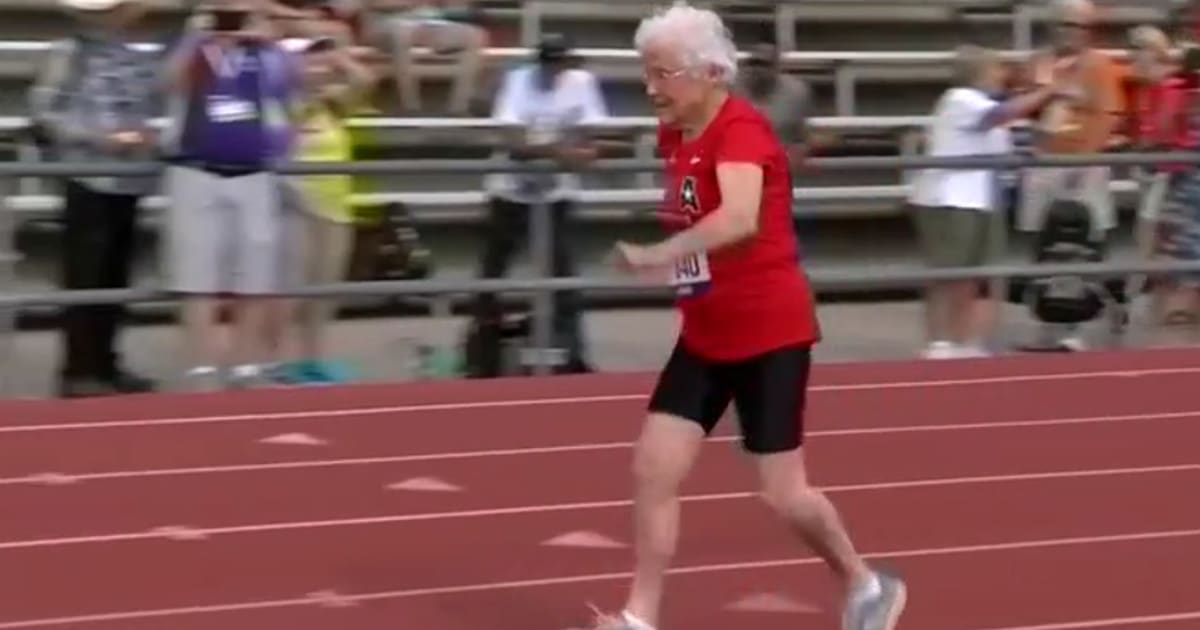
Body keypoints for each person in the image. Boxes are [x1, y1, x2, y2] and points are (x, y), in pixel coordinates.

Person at [594, 4, 905, 630]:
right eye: (645, 73)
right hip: (707, 333)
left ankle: (865, 583)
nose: (652, 88)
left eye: (663, 74)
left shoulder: (743, 134)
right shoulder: (677, 132)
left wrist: (660, 254)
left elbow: (739, 218)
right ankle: (639, 617)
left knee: (783, 493)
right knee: (654, 466)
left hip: (769, 333)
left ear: (710, 73)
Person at [160, 0, 301, 390]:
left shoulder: (268, 51)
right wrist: (199, 37)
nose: (231, 19)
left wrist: (268, 41)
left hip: (256, 173)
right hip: (194, 169)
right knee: (196, 274)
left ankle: (246, 365)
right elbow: (169, 83)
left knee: (255, 272)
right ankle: (202, 366)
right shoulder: (192, 45)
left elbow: (289, 87)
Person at [30, 0, 161, 397]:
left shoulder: (133, 54)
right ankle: (78, 370)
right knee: (85, 274)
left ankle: (106, 361)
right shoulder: (69, 51)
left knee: (115, 272)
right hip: (87, 175)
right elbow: (44, 111)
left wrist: (145, 134)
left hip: (128, 178)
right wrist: (97, 137)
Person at [909, 45, 1066, 360]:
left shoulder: (982, 103)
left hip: (981, 199)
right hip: (949, 198)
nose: (1002, 75)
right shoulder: (959, 100)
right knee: (946, 273)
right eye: (997, 68)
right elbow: (1000, 115)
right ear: (978, 72)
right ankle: (939, 341)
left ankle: (963, 340)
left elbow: (1002, 140)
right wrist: (1049, 90)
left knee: (971, 276)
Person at [467, 33, 606, 377]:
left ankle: (572, 357)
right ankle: (480, 358)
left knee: (563, 275)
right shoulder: (518, 80)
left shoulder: (582, 82)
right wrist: (559, 150)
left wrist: (576, 150)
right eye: (546, 62)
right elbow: (512, 139)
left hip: (556, 191)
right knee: (492, 275)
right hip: (510, 191)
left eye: (557, 62)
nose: (551, 69)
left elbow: (592, 137)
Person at [267, 35, 374, 384]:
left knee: (325, 290)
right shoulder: (277, 104)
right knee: (290, 291)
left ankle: (311, 358)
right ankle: (274, 363)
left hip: (336, 206)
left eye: (319, 59)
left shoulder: (334, 104)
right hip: (295, 204)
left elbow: (364, 80)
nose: (317, 67)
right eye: (307, 59)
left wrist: (338, 57)